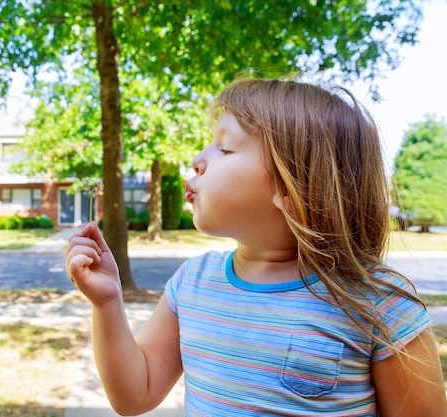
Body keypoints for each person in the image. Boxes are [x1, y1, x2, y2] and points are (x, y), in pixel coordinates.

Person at [65, 78, 447, 416]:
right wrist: (108, 302)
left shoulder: (378, 305)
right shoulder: (192, 284)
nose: (198, 161)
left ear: (293, 187)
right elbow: (135, 395)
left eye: (225, 149)